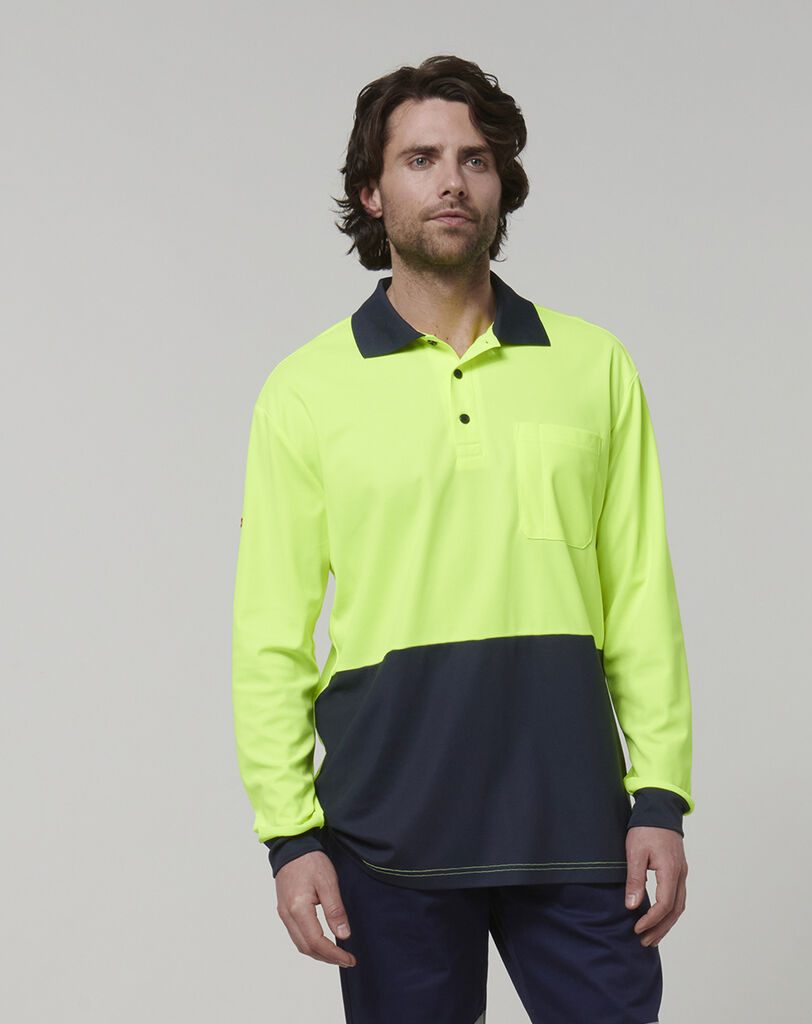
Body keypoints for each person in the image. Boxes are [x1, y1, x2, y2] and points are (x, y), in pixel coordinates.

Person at [232, 54, 694, 1024]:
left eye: (475, 159)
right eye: (421, 159)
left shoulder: (593, 366)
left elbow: (640, 596)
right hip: (385, 835)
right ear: (372, 191)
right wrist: (290, 835)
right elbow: (270, 631)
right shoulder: (306, 390)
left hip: (575, 823)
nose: (452, 181)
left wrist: (658, 796)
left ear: (501, 184)